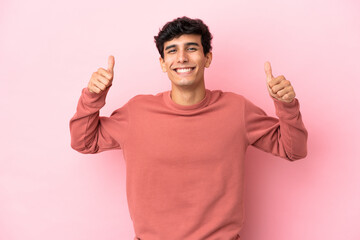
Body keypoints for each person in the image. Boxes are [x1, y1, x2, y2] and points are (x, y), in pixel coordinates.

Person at [69, 16, 308, 240]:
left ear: (207, 58)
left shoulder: (237, 109)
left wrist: (286, 105)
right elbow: (83, 141)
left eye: (191, 48)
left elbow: (293, 150)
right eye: (172, 51)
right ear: (163, 63)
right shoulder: (137, 112)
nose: (182, 58)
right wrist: (93, 96)